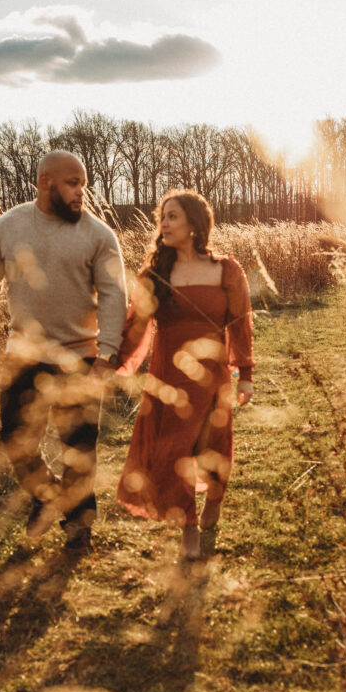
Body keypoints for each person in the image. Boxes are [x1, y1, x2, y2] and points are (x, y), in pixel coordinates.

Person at [0, 150, 128, 551]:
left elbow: (113, 296)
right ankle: (46, 497)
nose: (80, 193)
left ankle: (79, 527)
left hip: (80, 355)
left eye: (84, 185)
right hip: (23, 354)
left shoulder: (99, 235)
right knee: (16, 441)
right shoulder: (5, 228)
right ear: (45, 183)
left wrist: (107, 354)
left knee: (79, 446)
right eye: (73, 184)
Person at [116, 189, 254, 561]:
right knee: (174, 450)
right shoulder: (155, 274)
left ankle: (215, 497)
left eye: (172, 216)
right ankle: (188, 527)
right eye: (162, 217)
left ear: (195, 224)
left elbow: (240, 323)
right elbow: (135, 326)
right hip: (168, 377)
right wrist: (112, 363)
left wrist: (246, 372)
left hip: (213, 374)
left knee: (214, 446)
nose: (164, 223)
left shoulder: (227, 270)